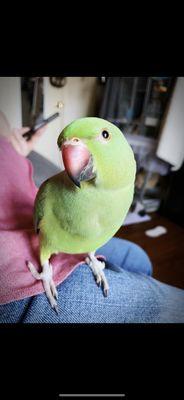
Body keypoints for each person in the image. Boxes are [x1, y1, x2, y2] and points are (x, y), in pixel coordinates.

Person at [0, 112, 184, 323]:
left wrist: (15, 146)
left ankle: (90, 254)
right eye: (65, 146)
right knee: (170, 305)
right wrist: (45, 269)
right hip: (23, 252)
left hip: (86, 242)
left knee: (138, 256)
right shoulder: (50, 192)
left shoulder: (126, 193)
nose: (74, 146)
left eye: (104, 135)